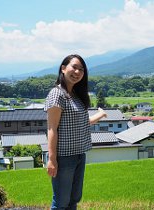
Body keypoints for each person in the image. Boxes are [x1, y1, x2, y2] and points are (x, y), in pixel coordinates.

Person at [44, 54, 107, 210]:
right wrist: (52, 159)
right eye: (74, 67)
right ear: (63, 68)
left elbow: (82, 123)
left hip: (79, 154)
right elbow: (52, 128)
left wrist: (100, 114)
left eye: (81, 69)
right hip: (64, 157)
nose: (77, 72)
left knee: (74, 200)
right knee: (61, 202)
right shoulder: (57, 94)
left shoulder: (76, 96)